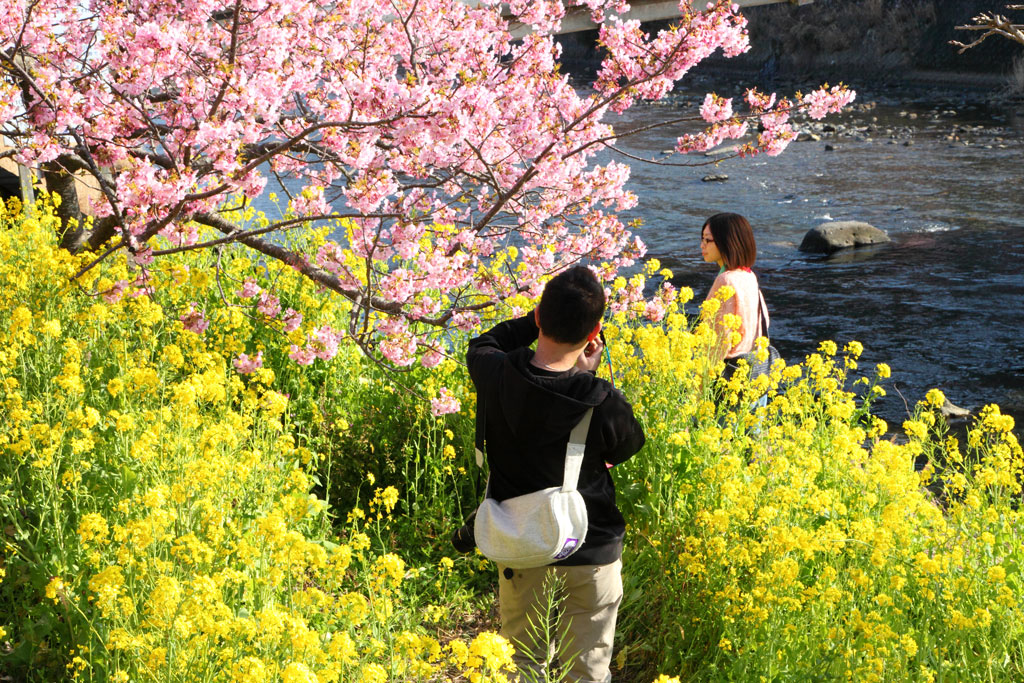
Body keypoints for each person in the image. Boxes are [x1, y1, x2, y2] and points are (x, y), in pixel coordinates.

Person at [466, 266, 646, 683]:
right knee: (587, 671)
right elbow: (627, 446)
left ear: (539, 317)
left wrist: (533, 322)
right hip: (590, 547)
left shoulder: (494, 373)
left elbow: (485, 342)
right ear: (594, 332)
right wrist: (586, 377)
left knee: (521, 664)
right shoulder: (601, 400)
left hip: (520, 542)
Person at [700, 212, 769, 377]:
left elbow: (719, 339)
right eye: (702, 239)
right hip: (753, 373)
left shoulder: (726, 280)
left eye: (708, 240)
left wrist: (701, 383)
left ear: (727, 242)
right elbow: (764, 322)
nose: (702, 245)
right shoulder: (749, 275)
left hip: (728, 375)